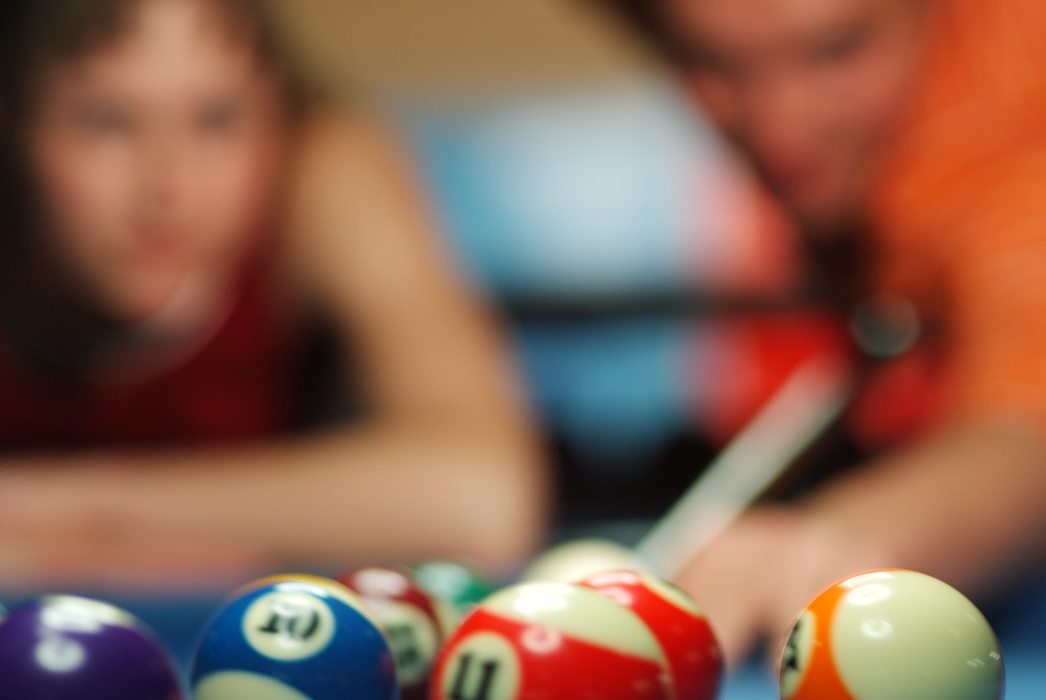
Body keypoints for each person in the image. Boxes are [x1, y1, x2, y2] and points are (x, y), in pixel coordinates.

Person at [0, 0, 546, 590]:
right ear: (13, 129)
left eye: (218, 118)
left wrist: (68, 511)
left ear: (277, 117)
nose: (167, 185)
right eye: (105, 121)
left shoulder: (321, 168)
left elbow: (483, 497)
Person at [610, 0, 1046, 666]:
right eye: (712, 62)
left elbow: (1030, 431)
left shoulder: (1001, 117)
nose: (777, 127)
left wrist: (855, 533)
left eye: (836, 49)